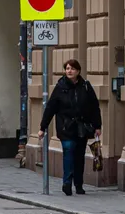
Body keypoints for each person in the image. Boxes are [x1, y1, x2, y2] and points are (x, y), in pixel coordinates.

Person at [39, 59, 102, 196]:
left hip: (82, 128)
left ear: (78, 71)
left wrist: (97, 126)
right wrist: (43, 127)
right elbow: (50, 108)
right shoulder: (60, 87)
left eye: (72, 69)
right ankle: (67, 183)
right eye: (67, 68)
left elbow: (94, 107)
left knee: (79, 156)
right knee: (68, 151)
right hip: (66, 127)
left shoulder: (85, 86)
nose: (69, 71)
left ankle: (78, 184)